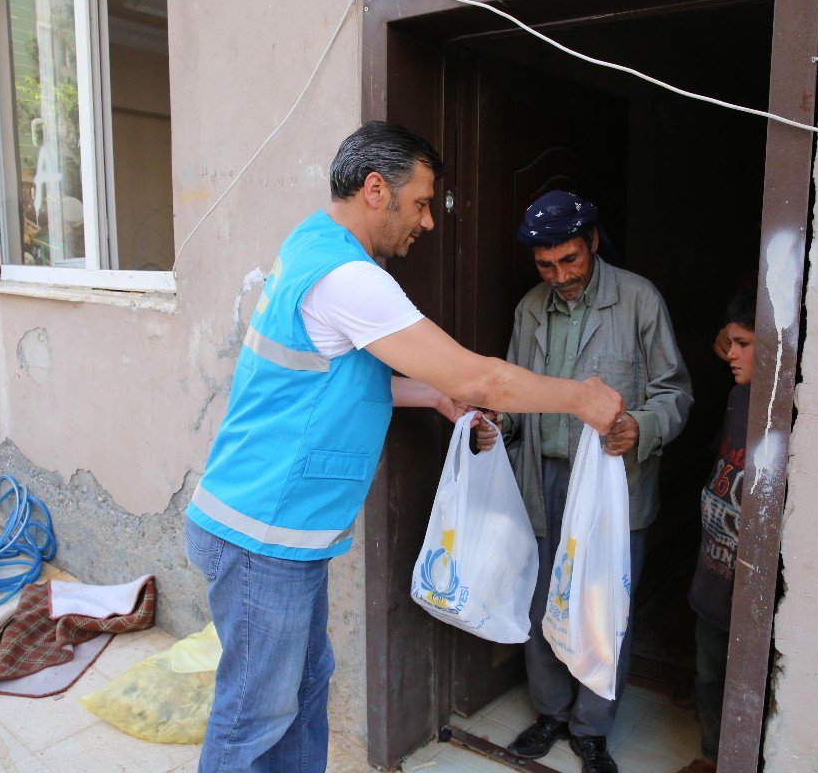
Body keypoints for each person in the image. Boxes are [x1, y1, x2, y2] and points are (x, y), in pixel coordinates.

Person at [184, 123, 625, 773]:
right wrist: (582, 398)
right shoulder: (349, 278)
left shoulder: (310, 243)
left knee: (304, 693)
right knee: (255, 716)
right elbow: (481, 377)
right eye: (419, 203)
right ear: (374, 189)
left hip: (280, 529)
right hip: (262, 533)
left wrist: (432, 398)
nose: (427, 221)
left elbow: (334, 375)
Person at [477, 190, 693, 773]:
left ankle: (591, 727)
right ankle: (549, 711)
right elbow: (517, 396)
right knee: (542, 596)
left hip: (611, 486)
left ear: (593, 242)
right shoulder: (530, 309)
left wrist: (641, 427)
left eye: (570, 260)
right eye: (546, 265)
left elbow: (676, 394)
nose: (560, 275)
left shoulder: (638, 300)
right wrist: (498, 426)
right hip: (544, 478)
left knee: (602, 605)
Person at [676, 290, 756, 773]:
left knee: (742, 684)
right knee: (709, 674)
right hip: (712, 576)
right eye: (730, 342)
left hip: (744, 589)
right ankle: (709, 755)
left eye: (744, 344)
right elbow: (723, 342)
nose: (730, 353)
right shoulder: (738, 396)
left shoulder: (786, 412)